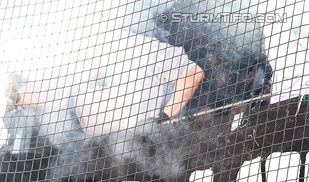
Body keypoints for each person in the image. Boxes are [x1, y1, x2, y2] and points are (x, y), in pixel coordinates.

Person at [19, 31, 204, 139]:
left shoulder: (140, 47)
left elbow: (192, 73)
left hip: (148, 144)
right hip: (100, 154)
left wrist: (163, 117)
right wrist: (13, 95)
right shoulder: (73, 56)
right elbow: (41, 93)